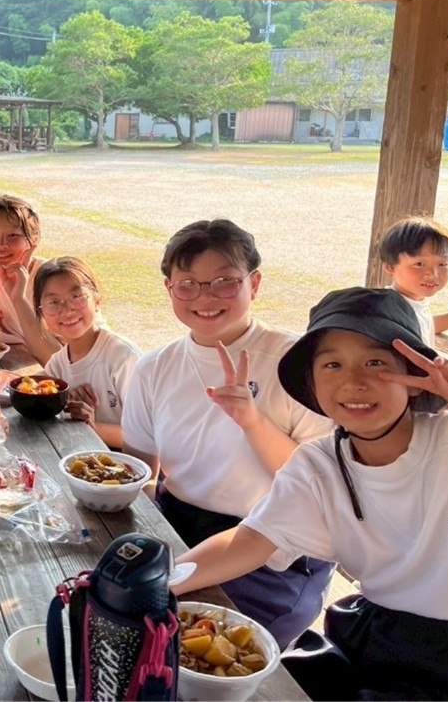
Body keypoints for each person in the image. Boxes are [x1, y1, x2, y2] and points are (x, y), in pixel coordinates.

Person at [173, 287, 448, 700]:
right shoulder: (318, 465)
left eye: (376, 362)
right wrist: (158, 581)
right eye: (332, 364)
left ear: (414, 378)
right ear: (312, 385)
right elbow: (250, 541)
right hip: (370, 632)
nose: (354, 382)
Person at [121, 218, 335, 648]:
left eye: (224, 282)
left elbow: (318, 487)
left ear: (254, 283)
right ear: (169, 289)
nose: (205, 297)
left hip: (273, 552)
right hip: (175, 524)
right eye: (188, 284)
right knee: (114, 623)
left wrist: (252, 421)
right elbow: (140, 472)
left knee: (198, 655)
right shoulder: (154, 368)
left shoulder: (299, 365)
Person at [33, 257, 140, 447]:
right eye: (53, 302)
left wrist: (93, 426)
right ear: (42, 313)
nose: (67, 310)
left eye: (76, 297)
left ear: (97, 300)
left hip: (124, 461)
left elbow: (148, 436)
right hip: (77, 453)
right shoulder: (57, 365)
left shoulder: (123, 357)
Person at [0, 195, 61, 364]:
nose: (1, 244)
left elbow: (61, 360)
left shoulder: (55, 281)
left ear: (33, 239)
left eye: (13, 235)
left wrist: (18, 299)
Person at [378, 215, 448, 346]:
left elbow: (426, 324)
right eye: (419, 264)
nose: (433, 274)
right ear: (390, 267)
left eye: (442, 264)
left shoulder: (410, 305)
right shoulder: (390, 314)